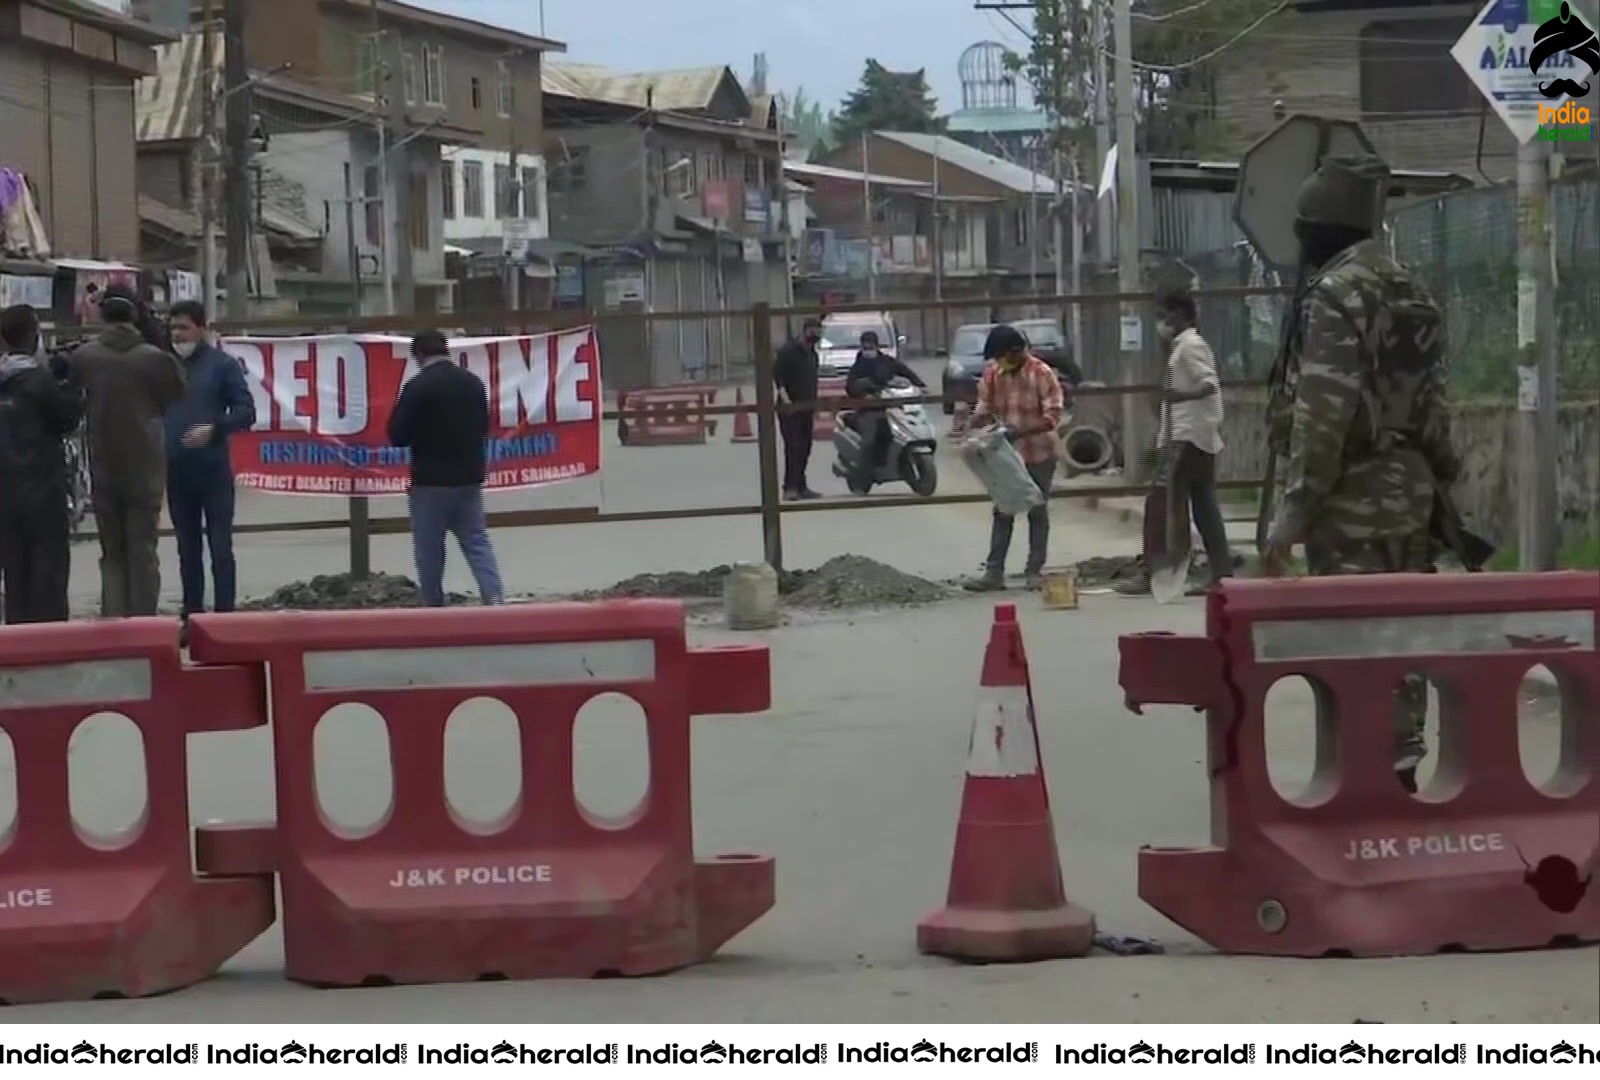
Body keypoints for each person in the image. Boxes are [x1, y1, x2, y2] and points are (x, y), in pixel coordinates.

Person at [1261, 153, 1461, 796]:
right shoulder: (1413, 290)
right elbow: (1436, 411)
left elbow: (1322, 415)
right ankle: (1402, 766)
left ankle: (1364, 792)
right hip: (1410, 495)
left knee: (1353, 642)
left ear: (1327, 227)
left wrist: (1292, 517)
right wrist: (1437, 483)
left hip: (1350, 501)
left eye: (1304, 224)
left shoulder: (1336, 294)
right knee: (1402, 636)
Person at [71, 282, 187, 617]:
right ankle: (144, 622)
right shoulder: (153, 358)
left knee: (112, 550)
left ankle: (113, 620)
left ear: (103, 314)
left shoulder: (85, 356)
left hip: (103, 461)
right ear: (135, 315)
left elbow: (75, 397)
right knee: (143, 548)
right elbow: (177, 394)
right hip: (145, 464)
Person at [1116, 292, 1234, 597]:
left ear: (1181, 315)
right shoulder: (1181, 347)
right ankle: (1221, 574)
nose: (1162, 322)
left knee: (1159, 504)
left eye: (1165, 315)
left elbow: (1209, 383)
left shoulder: (1190, 347)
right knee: (1204, 507)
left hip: (1186, 437)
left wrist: (1181, 397)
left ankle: (1154, 572)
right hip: (1198, 436)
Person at [388, 331, 504, 607]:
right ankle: (495, 598)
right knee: (477, 542)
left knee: (429, 548)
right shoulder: (473, 383)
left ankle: (433, 605)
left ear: (418, 355)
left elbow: (398, 435)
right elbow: (484, 427)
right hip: (469, 478)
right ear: (447, 351)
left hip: (431, 481)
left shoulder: (418, 387)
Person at [164, 301, 255, 623]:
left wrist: (215, 429)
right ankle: (192, 614)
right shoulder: (163, 365)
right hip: (176, 470)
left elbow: (246, 412)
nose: (178, 334)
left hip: (213, 469)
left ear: (201, 328)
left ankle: (225, 616)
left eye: (184, 327)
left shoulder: (222, 366)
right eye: (173, 327)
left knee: (219, 546)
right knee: (187, 549)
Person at [964, 324, 1065, 593]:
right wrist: (976, 419)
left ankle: (1034, 570)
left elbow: (1052, 417)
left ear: (1016, 351)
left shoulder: (1042, 374)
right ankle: (994, 572)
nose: (999, 363)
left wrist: (1018, 433)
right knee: (1003, 510)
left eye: (1002, 356)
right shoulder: (994, 374)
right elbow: (985, 405)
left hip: (1039, 452)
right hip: (1006, 456)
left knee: (1037, 510)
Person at [0, 304, 83, 623]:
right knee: (48, 575)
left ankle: (18, 641)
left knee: (15, 574)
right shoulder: (40, 381)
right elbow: (69, 418)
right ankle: (48, 645)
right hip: (43, 490)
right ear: (35, 336)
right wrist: (67, 383)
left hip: (6, 493)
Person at [845, 330, 925, 487]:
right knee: (869, 442)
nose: (868, 349)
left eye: (870, 345)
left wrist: (920, 385)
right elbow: (850, 386)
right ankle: (864, 478)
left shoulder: (887, 361)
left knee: (899, 433)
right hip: (868, 411)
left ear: (876, 345)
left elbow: (905, 371)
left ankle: (897, 463)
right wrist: (861, 393)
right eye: (865, 346)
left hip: (889, 406)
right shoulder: (858, 365)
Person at [773, 317, 822, 500]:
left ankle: (801, 485)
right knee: (793, 447)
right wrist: (787, 401)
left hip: (807, 407)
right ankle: (790, 488)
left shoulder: (812, 354)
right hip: (790, 408)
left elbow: (812, 382)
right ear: (805, 330)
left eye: (818, 331)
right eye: (813, 331)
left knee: (805, 447)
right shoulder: (789, 351)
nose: (816, 335)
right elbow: (778, 377)